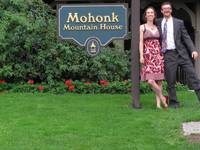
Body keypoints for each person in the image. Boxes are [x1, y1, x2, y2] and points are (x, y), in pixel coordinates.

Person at [156, 1, 200, 108]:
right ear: (162, 11)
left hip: (181, 53)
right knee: (170, 81)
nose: (166, 10)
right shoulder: (158, 22)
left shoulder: (179, 22)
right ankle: (174, 103)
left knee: (193, 76)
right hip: (168, 54)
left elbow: (186, 37)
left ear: (171, 10)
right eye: (164, 8)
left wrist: (193, 50)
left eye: (168, 8)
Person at [139, 6, 168, 109]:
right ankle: (162, 97)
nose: (150, 14)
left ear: (154, 15)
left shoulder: (157, 27)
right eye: (148, 12)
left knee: (159, 80)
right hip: (148, 56)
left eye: (152, 12)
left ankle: (158, 105)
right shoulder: (142, 27)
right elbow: (141, 42)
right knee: (151, 80)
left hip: (157, 55)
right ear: (145, 15)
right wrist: (141, 55)